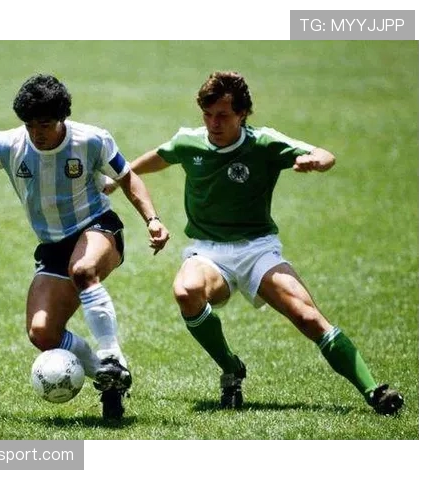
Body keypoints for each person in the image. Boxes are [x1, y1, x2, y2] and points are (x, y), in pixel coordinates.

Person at [106, 70, 404, 415]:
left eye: (223, 115)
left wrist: (316, 161)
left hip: (258, 249)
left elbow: (326, 155)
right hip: (208, 251)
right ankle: (231, 368)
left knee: (307, 317)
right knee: (186, 291)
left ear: (243, 114)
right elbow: (160, 155)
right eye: (207, 114)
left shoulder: (264, 142)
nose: (213, 123)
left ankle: (374, 391)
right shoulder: (189, 141)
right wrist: (119, 178)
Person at [0, 73, 170, 421]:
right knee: (42, 333)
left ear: (62, 118)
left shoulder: (92, 140)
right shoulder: (9, 144)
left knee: (83, 269)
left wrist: (152, 220)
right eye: (30, 125)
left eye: (45, 124)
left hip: (98, 227)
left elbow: (127, 178)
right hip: (53, 245)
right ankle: (108, 377)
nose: (37, 133)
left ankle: (111, 354)